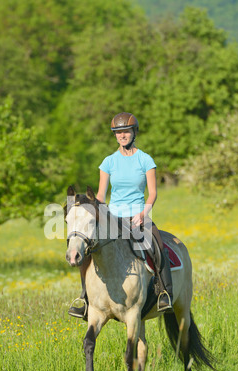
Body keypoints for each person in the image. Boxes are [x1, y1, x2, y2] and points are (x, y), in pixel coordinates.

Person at [68, 112, 173, 319]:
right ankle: (85, 299)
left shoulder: (145, 160)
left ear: (134, 133)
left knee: (157, 245)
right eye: (118, 132)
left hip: (138, 216)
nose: (122, 135)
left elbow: (153, 193)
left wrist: (144, 213)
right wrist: (98, 212)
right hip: (113, 218)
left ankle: (164, 292)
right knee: (89, 250)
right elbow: (100, 195)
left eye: (126, 131)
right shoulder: (108, 162)